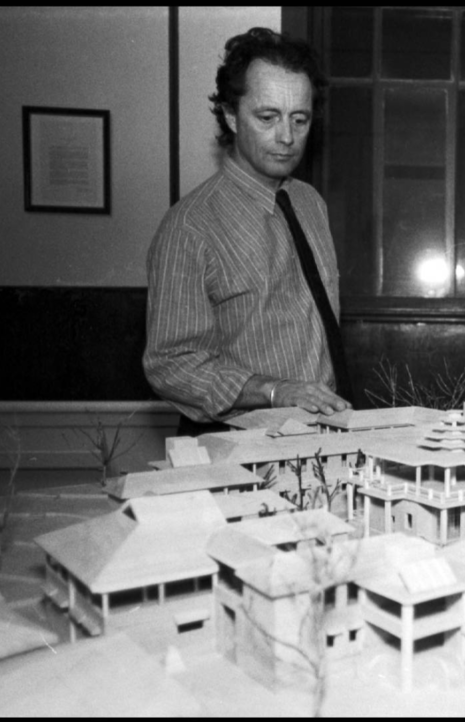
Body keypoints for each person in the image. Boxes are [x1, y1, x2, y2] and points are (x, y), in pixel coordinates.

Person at [144, 28, 353, 434]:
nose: (287, 137)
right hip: (234, 445)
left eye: (300, 119)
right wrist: (274, 391)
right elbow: (169, 364)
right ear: (229, 116)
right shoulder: (189, 226)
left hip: (323, 439)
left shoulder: (310, 204)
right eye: (267, 117)